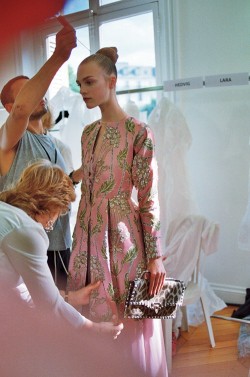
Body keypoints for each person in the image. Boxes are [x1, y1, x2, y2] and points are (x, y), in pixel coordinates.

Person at [67, 47, 168, 376]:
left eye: (89, 82)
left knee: (126, 316)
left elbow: (149, 197)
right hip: (86, 233)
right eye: (79, 84)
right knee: (90, 311)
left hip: (123, 237)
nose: (82, 90)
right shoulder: (88, 132)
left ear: (112, 81)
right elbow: (91, 173)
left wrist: (156, 256)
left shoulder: (140, 132)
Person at [0, 17, 81, 291]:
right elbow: (24, 109)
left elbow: (54, 189)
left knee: (60, 313)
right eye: (28, 91)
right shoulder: (8, 140)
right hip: (24, 247)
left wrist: (80, 175)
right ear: (11, 107)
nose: (41, 93)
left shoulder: (53, 143)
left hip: (59, 242)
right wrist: (59, 56)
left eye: (39, 88)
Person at [0, 159, 123, 338]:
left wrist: (71, 298)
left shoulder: (6, 210)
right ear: (53, 205)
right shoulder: (27, 230)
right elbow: (49, 306)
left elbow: (25, 288)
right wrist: (95, 329)